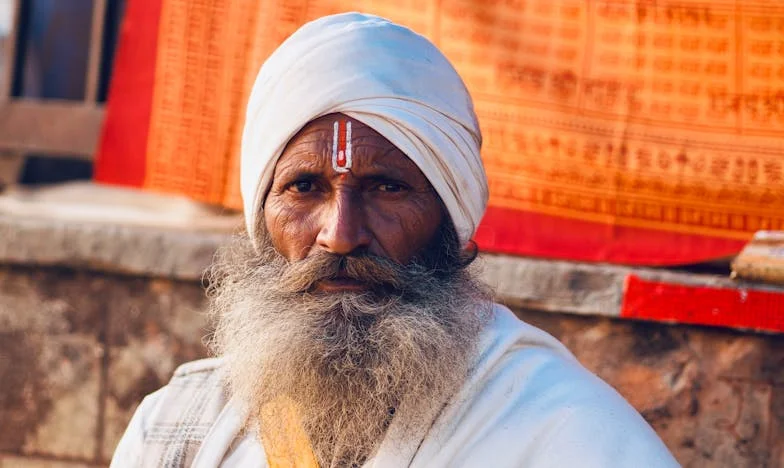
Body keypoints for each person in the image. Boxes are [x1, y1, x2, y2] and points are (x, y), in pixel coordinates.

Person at [110, 13, 679, 468]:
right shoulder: (177, 433)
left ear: (453, 231)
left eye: (387, 187)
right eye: (304, 187)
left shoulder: (568, 436)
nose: (340, 235)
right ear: (262, 223)